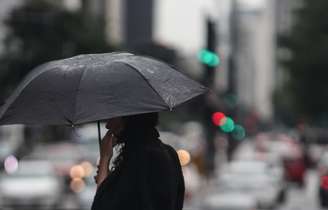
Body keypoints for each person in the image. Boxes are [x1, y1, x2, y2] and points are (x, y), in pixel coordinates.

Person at [92, 112, 185, 210]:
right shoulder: (167, 152)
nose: (107, 125)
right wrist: (112, 180)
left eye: (112, 117)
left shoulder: (140, 158)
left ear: (129, 118)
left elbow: (102, 205)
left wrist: (104, 158)